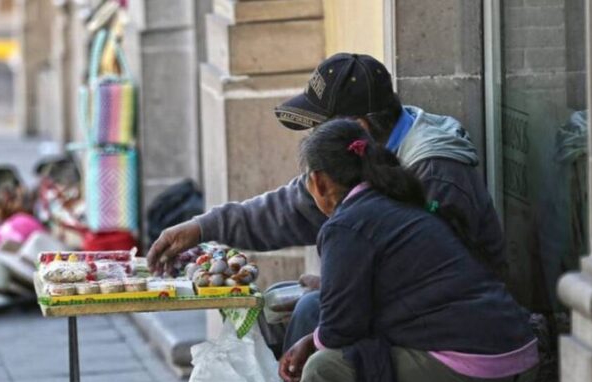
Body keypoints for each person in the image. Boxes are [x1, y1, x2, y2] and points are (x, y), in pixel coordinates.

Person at [245, 119, 538, 382]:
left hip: (481, 365)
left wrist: (309, 344)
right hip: (515, 355)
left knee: (326, 371)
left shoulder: (348, 224)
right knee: (363, 358)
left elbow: (341, 330)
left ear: (318, 181)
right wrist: (315, 337)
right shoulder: (396, 203)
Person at [147, 53, 505, 353]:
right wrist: (202, 227)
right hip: (404, 302)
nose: (312, 138)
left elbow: (442, 276)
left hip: (456, 326)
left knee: (309, 315)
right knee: (273, 308)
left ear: (356, 126)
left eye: (318, 128)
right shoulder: (360, 155)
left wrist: (347, 289)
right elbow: (290, 207)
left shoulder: (435, 169)